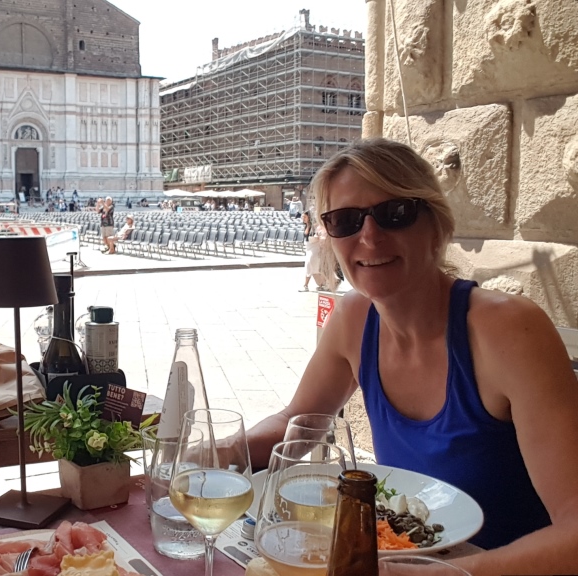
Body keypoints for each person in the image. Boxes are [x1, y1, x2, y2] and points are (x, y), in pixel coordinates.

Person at [245, 138, 578, 575]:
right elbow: (298, 423)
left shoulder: (510, 330)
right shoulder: (352, 319)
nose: (369, 236)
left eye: (395, 213)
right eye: (345, 220)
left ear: (435, 225)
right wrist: (216, 453)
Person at [300, 210, 326, 291]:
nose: (303, 218)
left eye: (305, 217)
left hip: (315, 247)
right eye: (302, 217)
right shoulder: (306, 226)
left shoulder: (315, 226)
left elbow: (321, 235)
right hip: (309, 247)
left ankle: (305, 285)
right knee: (312, 267)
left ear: (309, 217)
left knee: (309, 264)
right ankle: (323, 284)